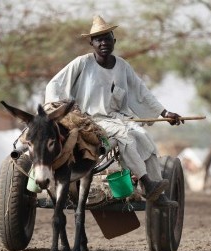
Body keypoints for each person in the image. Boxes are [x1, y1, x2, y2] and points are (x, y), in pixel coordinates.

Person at [44, 15, 183, 208]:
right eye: (98, 39)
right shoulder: (82, 63)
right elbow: (55, 84)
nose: (103, 42)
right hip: (89, 120)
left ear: (114, 41)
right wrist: (57, 111)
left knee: (144, 138)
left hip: (118, 118)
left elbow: (141, 92)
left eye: (107, 38)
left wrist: (164, 113)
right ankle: (146, 183)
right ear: (91, 42)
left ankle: (156, 193)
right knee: (125, 137)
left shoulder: (123, 66)